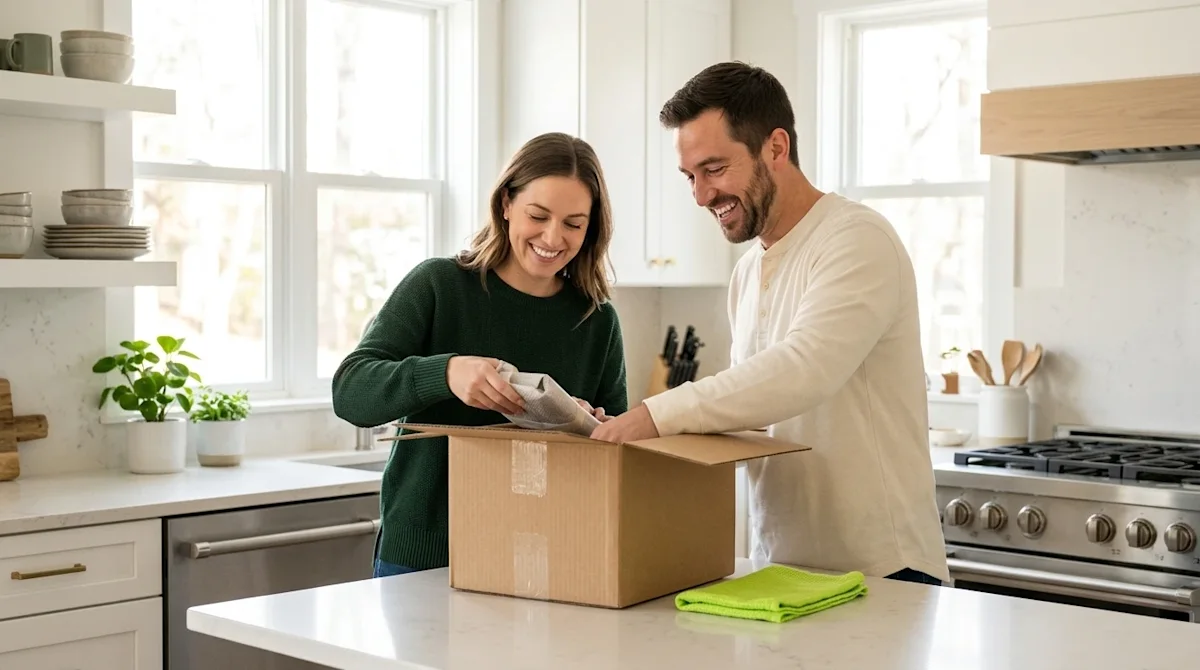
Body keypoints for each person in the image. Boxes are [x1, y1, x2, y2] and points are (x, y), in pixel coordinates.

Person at [591, 62, 948, 585]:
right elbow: (753, 412)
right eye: (690, 177)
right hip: (782, 568)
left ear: (776, 148)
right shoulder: (747, 271)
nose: (701, 196)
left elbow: (803, 370)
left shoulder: (857, 240)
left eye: (714, 169)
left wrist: (656, 414)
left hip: (884, 569)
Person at [333, 132, 629, 579]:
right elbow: (350, 392)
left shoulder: (597, 320)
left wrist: (596, 427)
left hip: (544, 556)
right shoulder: (439, 285)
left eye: (573, 223)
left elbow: (616, 463)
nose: (553, 237)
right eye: (538, 215)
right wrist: (446, 372)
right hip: (425, 556)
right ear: (506, 203)